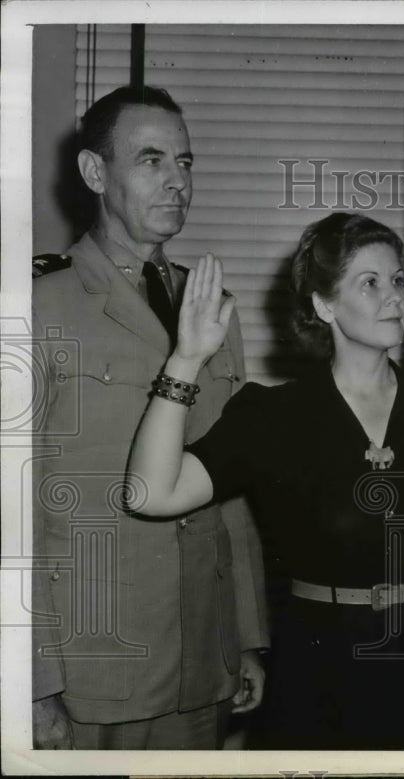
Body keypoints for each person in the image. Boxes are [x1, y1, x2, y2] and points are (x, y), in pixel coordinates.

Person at [125, 212, 404, 750]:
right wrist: (187, 358)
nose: (394, 297)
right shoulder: (272, 415)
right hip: (315, 670)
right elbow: (150, 493)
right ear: (324, 305)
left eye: (396, 279)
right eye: (370, 282)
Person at [31, 86, 268, 749]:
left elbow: (232, 489)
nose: (177, 181)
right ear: (94, 173)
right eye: (152, 160)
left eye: (186, 162)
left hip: (202, 656)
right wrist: (32, 677)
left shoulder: (213, 307)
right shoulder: (40, 308)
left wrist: (246, 637)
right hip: (92, 660)